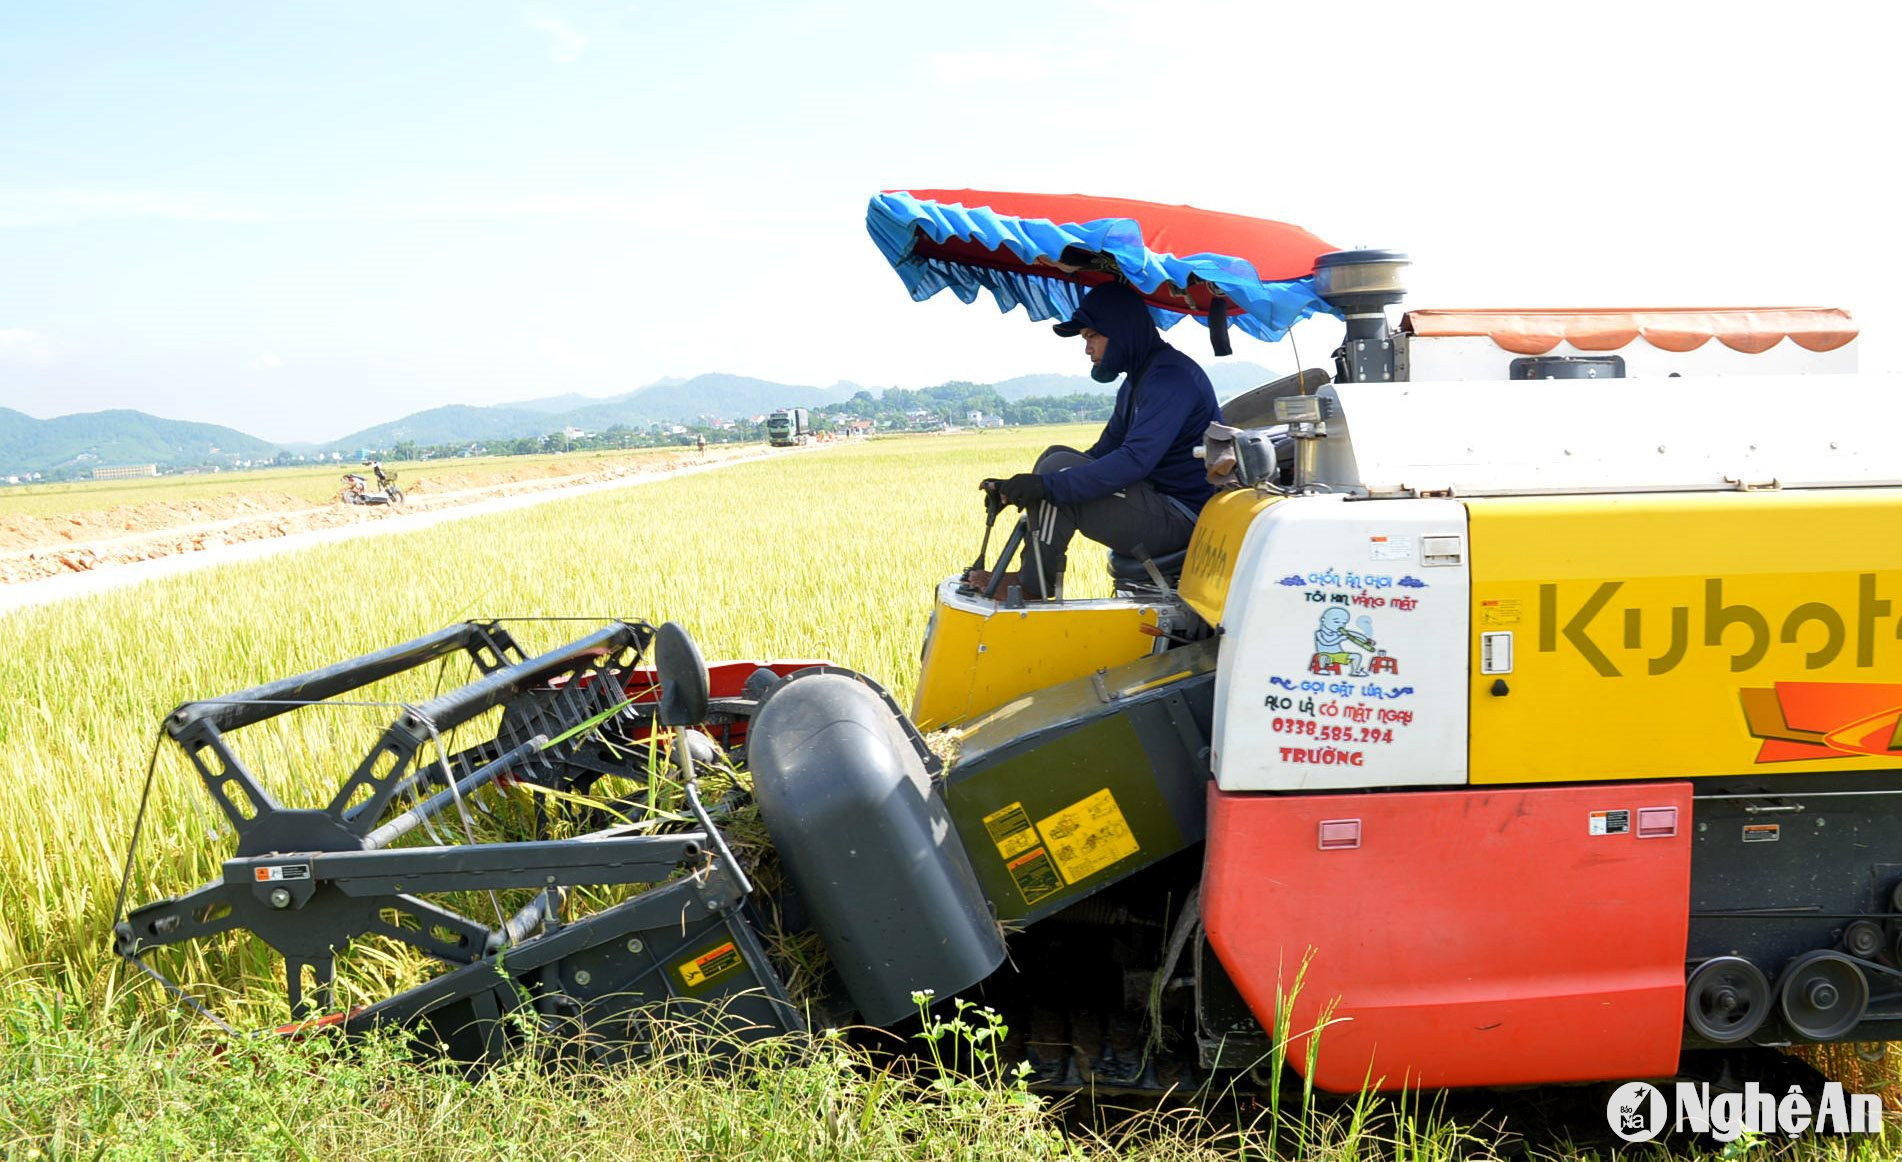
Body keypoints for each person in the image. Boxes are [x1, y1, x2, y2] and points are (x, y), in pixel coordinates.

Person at [977, 281, 1221, 599]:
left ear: (1121, 331)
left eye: (1092, 336)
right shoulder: (1138, 381)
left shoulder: (1168, 379)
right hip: (1158, 503)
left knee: (1058, 474)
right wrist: (1016, 488)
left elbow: (1134, 460)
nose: (1087, 348)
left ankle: (1033, 585)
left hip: (1184, 518)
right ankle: (1032, 576)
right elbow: (1101, 453)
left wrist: (1047, 486)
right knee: (1056, 459)